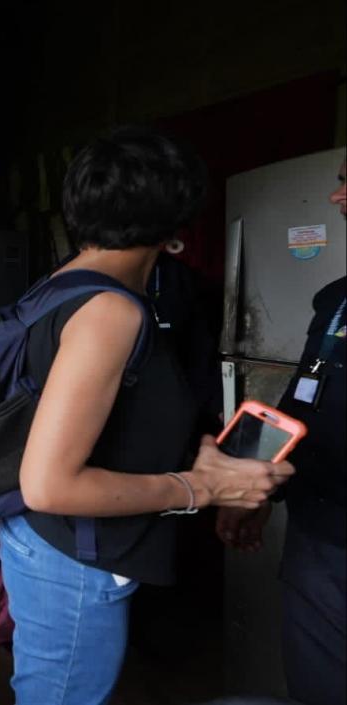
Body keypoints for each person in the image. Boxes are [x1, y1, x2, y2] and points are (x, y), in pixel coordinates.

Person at [0, 126, 295, 705]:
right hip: (73, 559)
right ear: (175, 230)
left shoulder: (59, 285)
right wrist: (198, 488)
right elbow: (48, 483)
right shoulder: (111, 310)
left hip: (44, 544)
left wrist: (199, 455)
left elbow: (102, 422)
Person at [217, 158, 346, 705]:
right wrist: (252, 486)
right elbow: (302, 400)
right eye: (341, 181)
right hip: (319, 538)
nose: (338, 198)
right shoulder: (337, 302)